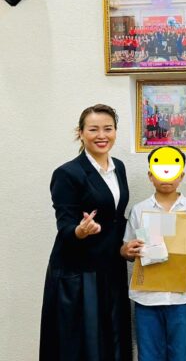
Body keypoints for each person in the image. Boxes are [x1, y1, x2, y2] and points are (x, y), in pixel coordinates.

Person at [39, 104, 132, 361]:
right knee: (82, 346)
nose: (102, 135)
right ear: (80, 133)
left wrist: (128, 243)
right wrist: (80, 231)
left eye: (108, 129)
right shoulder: (67, 173)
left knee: (113, 338)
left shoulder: (119, 167)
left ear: (115, 132)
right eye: (93, 129)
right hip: (79, 273)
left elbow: (116, 218)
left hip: (111, 266)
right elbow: (65, 226)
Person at [121, 146, 186, 361]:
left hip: (181, 296)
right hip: (146, 297)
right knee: (148, 355)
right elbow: (126, 250)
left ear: (181, 175)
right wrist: (127, 250)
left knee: (181, 354)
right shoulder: (139, 209)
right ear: (150, 175)